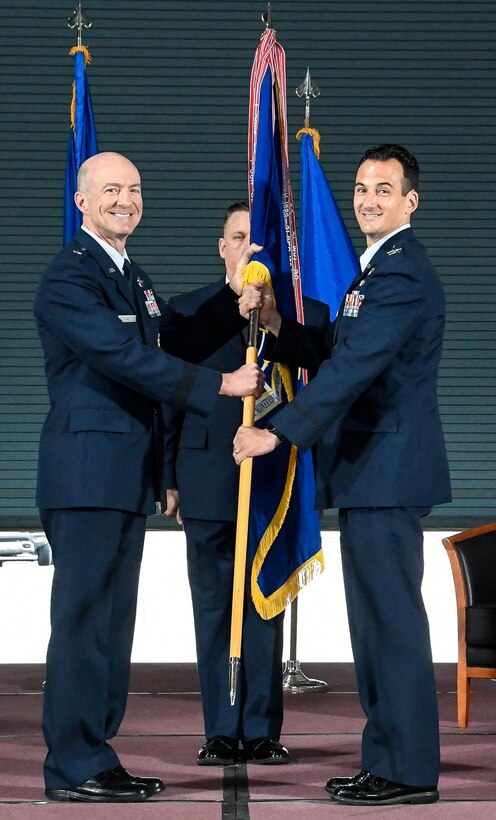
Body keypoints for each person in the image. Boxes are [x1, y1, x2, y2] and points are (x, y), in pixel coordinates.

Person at [34, 152, 265, 803]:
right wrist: (223, 383)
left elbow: (177, 338)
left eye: (133, 190)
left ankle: (94, 754)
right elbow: (126, 358)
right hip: (85, 479)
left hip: (120, 480)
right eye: (110, 190)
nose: (124, 200)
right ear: (81, 201)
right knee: (84, 626)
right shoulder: (70, 278)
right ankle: (73, 764)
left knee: (109, 630)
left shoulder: (130, 277)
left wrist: (233, 298)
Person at [234, 144, 451, 806]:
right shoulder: (374, 273)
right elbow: (337, 349)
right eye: (361, 188)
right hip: (369, 473)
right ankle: (385, 759)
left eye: (383, 190)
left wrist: (281, 433)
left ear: (410, 201)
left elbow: (355, 371)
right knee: (375, 627)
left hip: (387, 471)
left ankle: (409, 770)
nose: (368, 200)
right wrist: (277, 325)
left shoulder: (402, 274)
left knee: (392, 626)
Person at [164, 202, 330, 766]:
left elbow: (320, 377)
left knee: (264, 604)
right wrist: (169, 479)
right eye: (239, 238)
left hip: (274, 482)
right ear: (222, 247)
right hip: (206, 477)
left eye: (259, 242)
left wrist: (270, 313)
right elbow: (168, 398)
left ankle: (260, 728)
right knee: (212, 606)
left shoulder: (304, 315)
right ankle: (219, 730)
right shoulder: (186, 313)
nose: (249, 249)